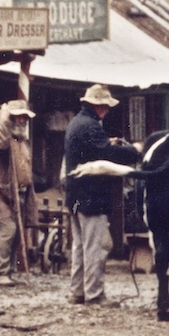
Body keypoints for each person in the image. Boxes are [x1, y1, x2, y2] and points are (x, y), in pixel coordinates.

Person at [63, 83, 142, 306]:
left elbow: (96, 149)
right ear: (98, 106)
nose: (107, 110)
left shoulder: (77, 123)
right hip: (91, 197)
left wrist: (108, 143)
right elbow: (107, 154)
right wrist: (133, 150)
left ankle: (77, 292)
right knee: (95, 247)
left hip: (76, 196)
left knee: (79, 247)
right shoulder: (92, 127)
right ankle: (95, 294)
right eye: (105, 106)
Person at [0, 99, 37, 286]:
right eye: (17, 117)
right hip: (0, 191)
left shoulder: (21, 138)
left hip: (18, 193)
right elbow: (0, 143)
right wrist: (5, 121)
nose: (22, 120)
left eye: (24, 117)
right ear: (10, 118)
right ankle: (1, 273)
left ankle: (9, 271)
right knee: (8, 229)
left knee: (16, 232)